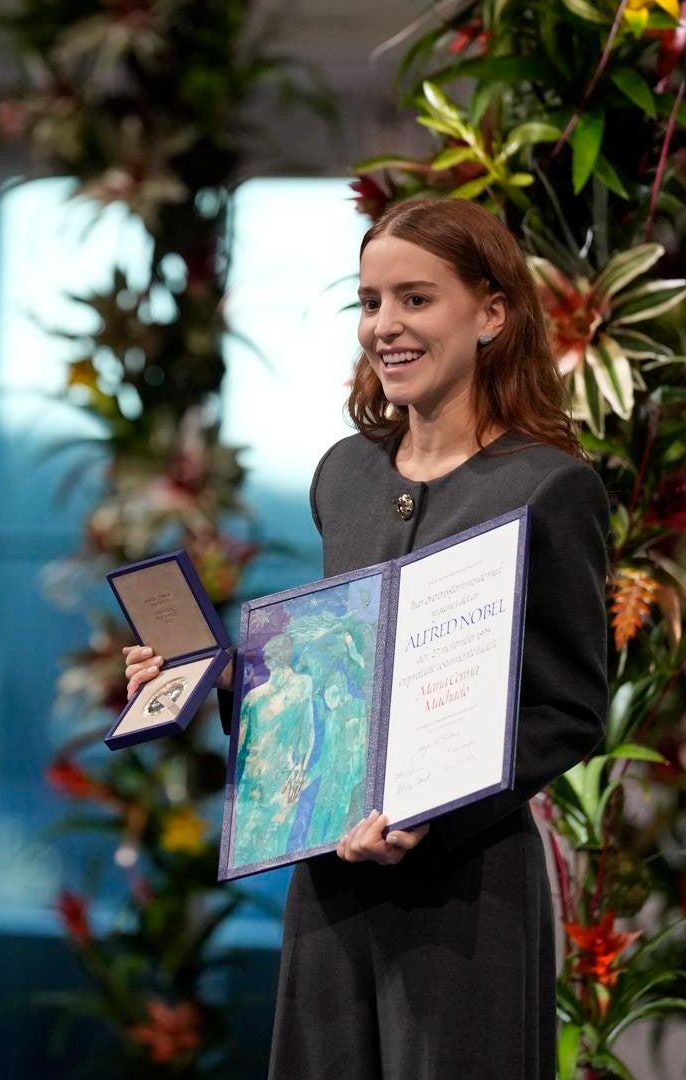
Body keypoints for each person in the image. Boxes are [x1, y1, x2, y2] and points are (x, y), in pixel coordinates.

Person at [124, 197, 608, 1077]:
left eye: (415, 299)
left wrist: (428, 815)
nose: (384, 325)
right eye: (370, 302)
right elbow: (337, 670)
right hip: (332, 888)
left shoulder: (549, 489)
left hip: (466, 898)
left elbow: (568, 712)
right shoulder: (345, 475)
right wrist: (221, 680)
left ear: (492, 313)